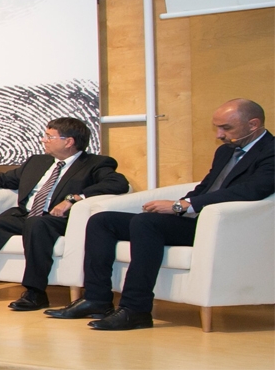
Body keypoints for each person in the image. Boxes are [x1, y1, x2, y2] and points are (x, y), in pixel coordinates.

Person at [46, 99, 274, 330]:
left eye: (226, 128)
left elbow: (251, 190)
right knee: (102, 221)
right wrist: (181, 202)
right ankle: (96, 299)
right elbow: (206, 187)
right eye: (217, 127)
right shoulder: (226, 151)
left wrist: (181, 206)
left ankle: (136, 310)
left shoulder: (271, 151)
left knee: (147, 224)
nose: (219, 134)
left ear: (253, 124)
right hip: (197, 218)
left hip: (223, 226)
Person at [0, 117, 129, 310]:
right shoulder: (38, 162)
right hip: (27, 214)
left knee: (37, 224)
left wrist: (73, 198)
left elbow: (117, 183)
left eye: (50, 136)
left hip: (60, 220)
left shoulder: (95, 163)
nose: (44, 140)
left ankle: (35, 292)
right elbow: (3, 178)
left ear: (69, 142)